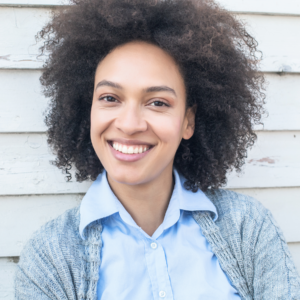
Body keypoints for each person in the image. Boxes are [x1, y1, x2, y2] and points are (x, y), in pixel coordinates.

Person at [14, 0, 300, 299]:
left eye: (158, 102)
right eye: (110, 98)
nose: (130, 124)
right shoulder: (49, 257)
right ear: (87, 110)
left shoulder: (248, 227)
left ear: (188, 121)